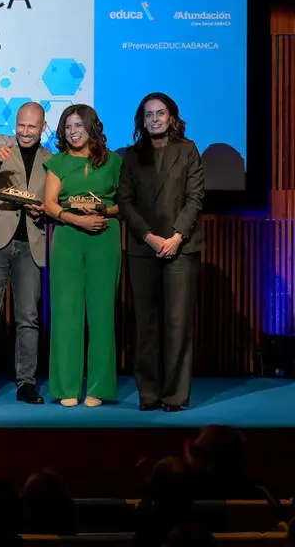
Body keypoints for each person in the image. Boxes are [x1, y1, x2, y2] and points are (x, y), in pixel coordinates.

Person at [117, 92, 205, 412]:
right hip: (144, 249)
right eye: (148, 114)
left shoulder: (188, 150)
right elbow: (124, 201)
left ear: (172, 117)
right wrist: (149, 237)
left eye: (161, 113)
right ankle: (149, 394)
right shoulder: (131, 155)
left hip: (182, 249)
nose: (154, 119)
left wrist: (177, 236)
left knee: (177, 324)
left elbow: (195, 198)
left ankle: (175, 395)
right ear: (141, 120)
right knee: (147, 325)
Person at [41, 104, 122, 407]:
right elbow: (49, 204)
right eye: (68, 126)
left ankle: (98, 387)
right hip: (67, 239)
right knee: (66, 312)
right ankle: (66, 386)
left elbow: (124, 205)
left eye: (79, 125)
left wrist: (103, 210)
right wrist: (77, 219)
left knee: (102, 313)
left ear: (92, 127)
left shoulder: (114, 162)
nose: (73, 132)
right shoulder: (58, 163)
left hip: (105, 238)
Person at [0, 102, 51, 405]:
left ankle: (26, 383)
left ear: (43, 127)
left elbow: (54, 202)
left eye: (32, 127)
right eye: (21, 125)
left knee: (28, 318)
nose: (25, 132)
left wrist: (42, 208)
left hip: (31, 242)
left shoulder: (51, 159)